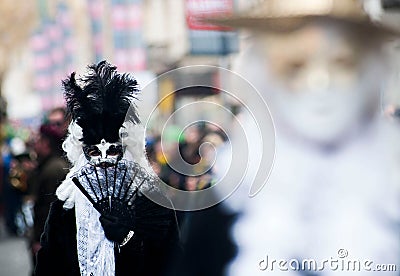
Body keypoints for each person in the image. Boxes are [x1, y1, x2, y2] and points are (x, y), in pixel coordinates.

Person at [177, 0, 400, 275]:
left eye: (342, 63)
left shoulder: (392, 192)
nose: (319, 84)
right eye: (295, 66)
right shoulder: (229, 201)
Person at [35, 61, 181, 276]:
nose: (104, 161)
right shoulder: (65, 207)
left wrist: (129, 237)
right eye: (94, 152)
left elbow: (173, 263)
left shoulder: (153, 201)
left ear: (127, 150)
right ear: (83, 154)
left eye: (113, 151)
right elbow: (48, 266)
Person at [28, 122, 69, 273]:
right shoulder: (50, 165)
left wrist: (41, 239)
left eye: (38, 140)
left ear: (46, 143)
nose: (35, 144)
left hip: (50, 240)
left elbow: (49, 209)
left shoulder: (53, 169)